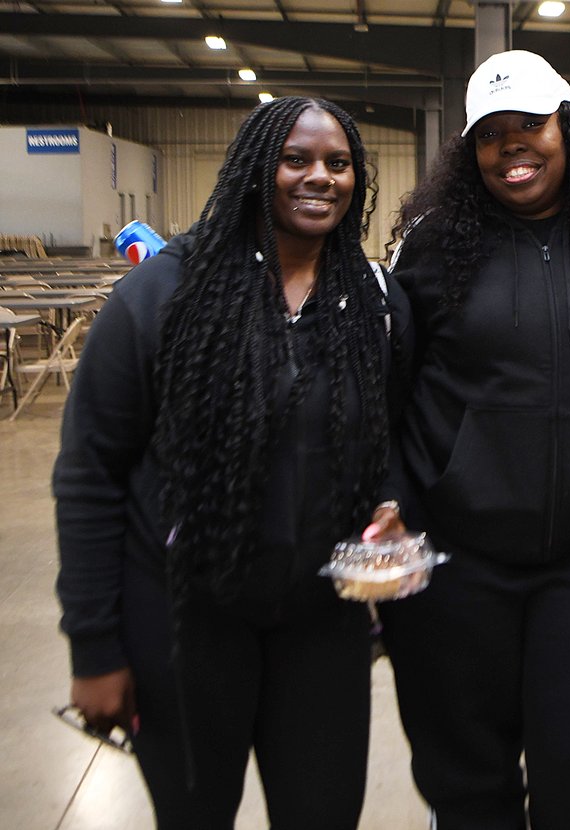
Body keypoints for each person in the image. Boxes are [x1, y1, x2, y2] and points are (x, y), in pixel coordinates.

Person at [54, 96, 411, 829]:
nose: (320, 177)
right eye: (297, 159)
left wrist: (388, 503)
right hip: (186, 628)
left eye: (338, 164)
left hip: (321, 631)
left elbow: (392, 435)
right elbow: (89, 472)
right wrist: (95, 645)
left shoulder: (373, 301)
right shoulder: (162, 296)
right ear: (256, 168)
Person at [370, 50, 570, 829]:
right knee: (467, 779)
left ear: (568, 128)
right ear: (470, 149)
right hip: (457, 561)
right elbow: (382, 382)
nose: (512, 148)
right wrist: (394, 497)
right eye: (490, 135)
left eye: (531, 126)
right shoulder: (433, 240)